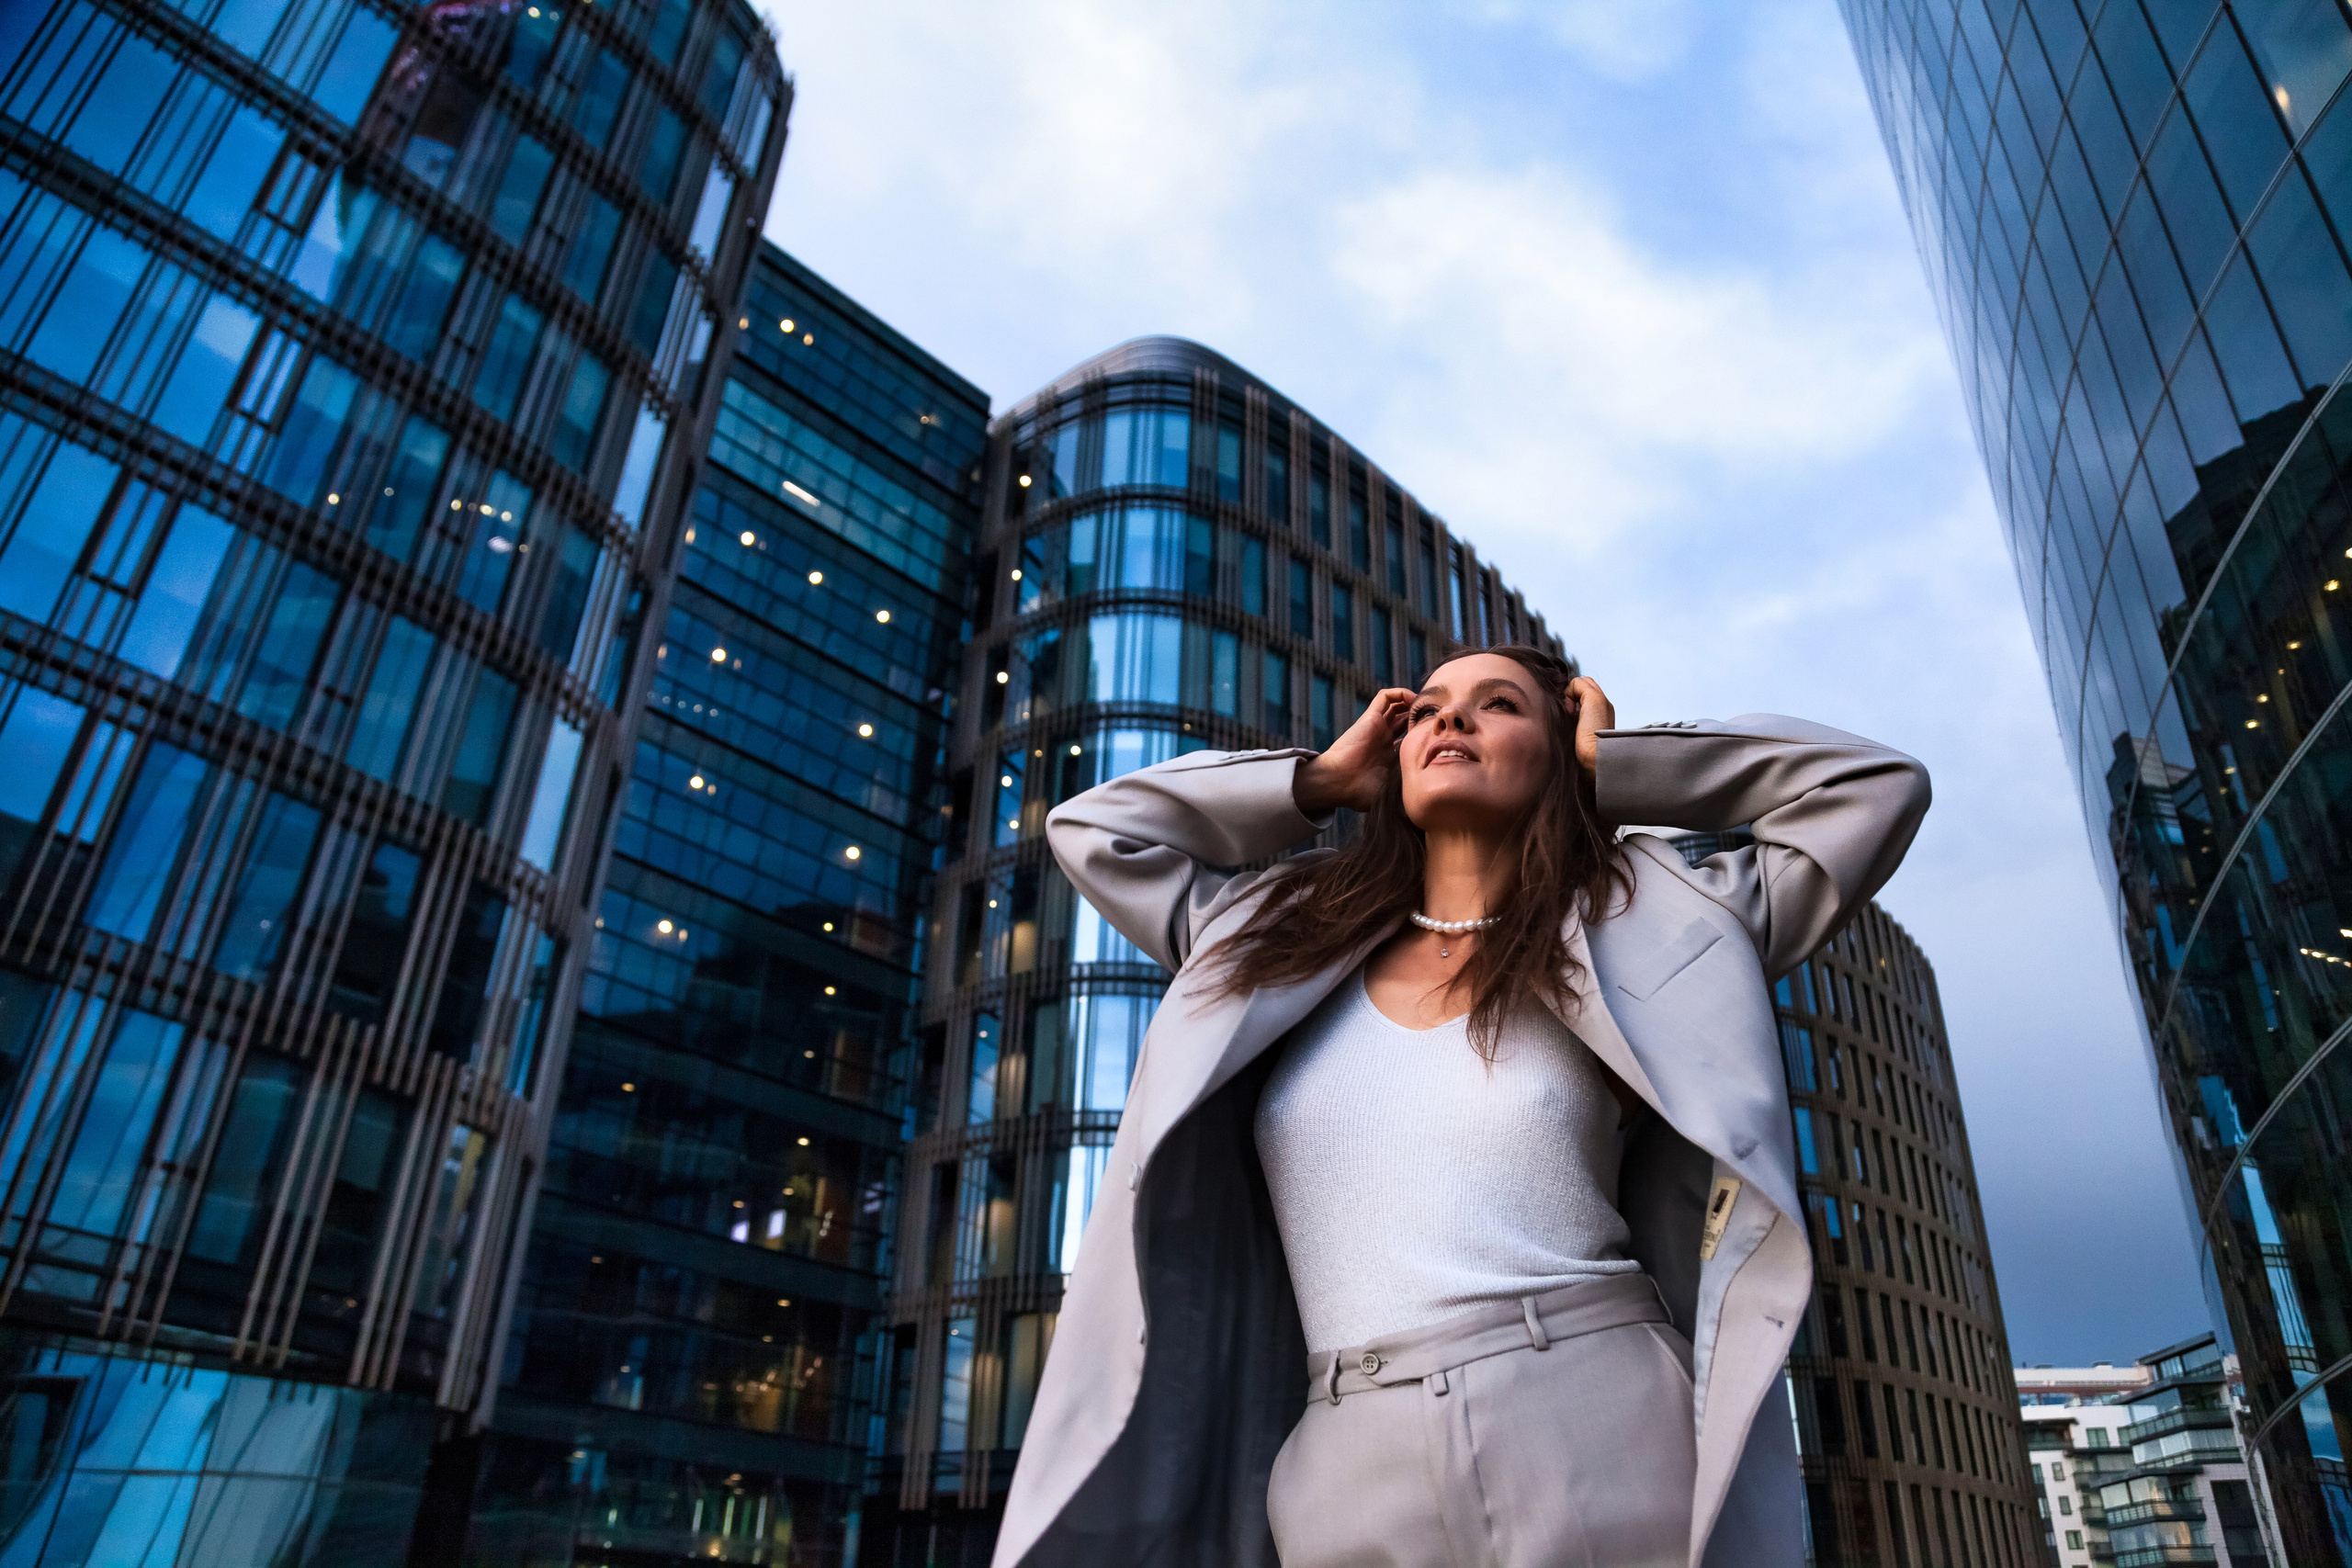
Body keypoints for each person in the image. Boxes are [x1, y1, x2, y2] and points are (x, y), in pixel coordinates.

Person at [991, 644, 1929, 1568]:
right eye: (1428, 708)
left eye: (1499, 705)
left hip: (1585, 1403)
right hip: (1341, 1444)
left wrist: (1622, 766)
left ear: (1558, 750)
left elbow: (1874, 787)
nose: (1449, 718)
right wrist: (1315, 782)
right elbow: (1097, 831)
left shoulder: (1655, 918)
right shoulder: (1271, 933)